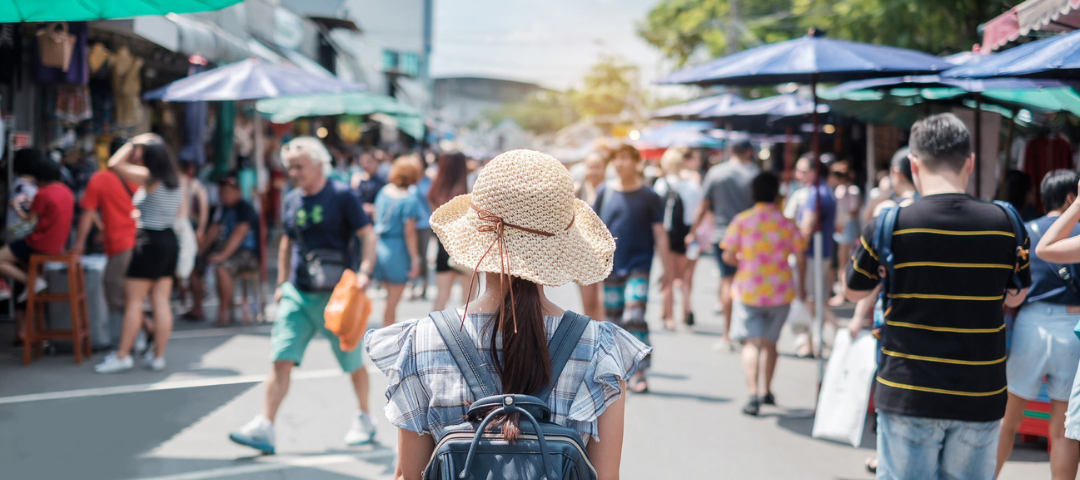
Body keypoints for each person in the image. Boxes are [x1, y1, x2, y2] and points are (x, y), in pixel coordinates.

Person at [364, 149, 649, 480]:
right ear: (560, 247)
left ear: (478, 238)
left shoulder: (423, 341)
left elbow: (408, 476)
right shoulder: (601, 349)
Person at [845, 113, 1030, 480]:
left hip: (908, 391)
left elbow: (853, 290)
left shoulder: (888, 224)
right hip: (980, 391)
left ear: (913, 164)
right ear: (971, 162)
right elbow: (1015, 297)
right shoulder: (1008, 223)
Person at [228, 137, 378, 454]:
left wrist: (365, 271)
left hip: (338, 296)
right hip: (298, 293)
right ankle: (265, 426)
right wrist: (282, 284)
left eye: (299, 166)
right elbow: (286, 242)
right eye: (290, 167)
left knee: (351, 362)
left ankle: (364, 416)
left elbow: (367, 236)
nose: (294, 172)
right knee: (280, 359)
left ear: (318, 164)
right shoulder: (292, 199)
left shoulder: (341, 195)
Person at [994, 169, 1080, 480]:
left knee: (1008, 419)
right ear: (1073, 198)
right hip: (1073, 328)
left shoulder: (1027, 231)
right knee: (1063, 429)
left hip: (1030, 325)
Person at [95, 135, 183, 373]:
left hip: (149, 241)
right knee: (161, 301)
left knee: (134, 302)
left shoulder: (149, 177)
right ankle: (159, 356)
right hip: (168, 240)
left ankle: (123, 355)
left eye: (142, 152)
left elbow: (113, 164)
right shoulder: (175, 179)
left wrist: (133, 142)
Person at [722, 172, 805, 416]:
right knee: (771, 344)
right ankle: (767, 389)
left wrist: (743, 261)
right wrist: (803, 288)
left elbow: (727, 254)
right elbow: (800, 255)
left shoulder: (743, 220)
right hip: (781, 290)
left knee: (751, 343)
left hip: (749, 290)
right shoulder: (786, 223)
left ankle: (753, 394)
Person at [595, 143, 671, 394]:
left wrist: (669, 270)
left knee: (634, 316)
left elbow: (660, 233)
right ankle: (615, 371)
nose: (620, 164)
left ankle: (640, 370)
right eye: (616, 159)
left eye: (625, 158)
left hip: (639, 265)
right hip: (611, 267)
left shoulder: (649, 196)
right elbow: (594, 229)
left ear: (637, 162)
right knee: (613, 321)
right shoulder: (604, 192)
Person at [687, 140, 757, 347]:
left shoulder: (716, 173)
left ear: (730, 150)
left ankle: (727, 334)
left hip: (722, 235)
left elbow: (703, 206)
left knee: (727, 281)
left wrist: (693, 231)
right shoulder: (753, 174)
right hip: (749, 237)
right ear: (749, 152)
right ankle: (745, 332)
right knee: (745, 282)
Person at [71, 138, 138, 346]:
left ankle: (141, 336)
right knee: (135, 296)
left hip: (121, 245)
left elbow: (88, 214)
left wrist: (79, 244)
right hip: (142, 244)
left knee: (118, 298)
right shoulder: (141, 177)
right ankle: (140, 338)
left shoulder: (100, 179)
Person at [0, 155, 74, 302]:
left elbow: (29, 219)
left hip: (38, 244)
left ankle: (32, 281)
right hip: (57, 245)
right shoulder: (66, 191)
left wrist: (15, 206)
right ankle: (32, 282)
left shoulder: (43, 193)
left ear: (40, 178)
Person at [654, 146, 703, 330]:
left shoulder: (660, 184)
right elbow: (693, 215)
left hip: (665, 235)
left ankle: (669, 318)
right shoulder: (691, 186)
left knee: (668, 276)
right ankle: (686, 309)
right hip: (684, 234)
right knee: (683, 277)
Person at [794, 154, 838, 358]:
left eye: (803, 171)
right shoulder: (821, 192)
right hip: (820, 253)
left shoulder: (816, 195)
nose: (798, 175)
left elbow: (806, 229)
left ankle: (834, 330)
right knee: (812, 299)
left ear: (814, 172)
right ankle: (812, 340)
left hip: (813, 255)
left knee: (810, 299)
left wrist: (797, 250)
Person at [204, 173, 261, 326]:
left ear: (238, 192)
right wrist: (201, 251)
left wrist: (222, 256)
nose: (224, 195)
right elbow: (213, 230)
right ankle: (200, 308)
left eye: (228, 192)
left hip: (247, 254)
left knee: (222, 268)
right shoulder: (221, 209)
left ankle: (224, 311)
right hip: (230, 252)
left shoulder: (245, 208)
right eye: (222, 192)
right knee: (204, 265)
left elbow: (239, 234)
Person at [373, 157, 423, 325]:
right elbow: (410, 232)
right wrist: (415, 258)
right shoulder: (409, 199)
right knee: (393, 301)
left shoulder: (384, 191)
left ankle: (383, 332)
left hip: (380, 245)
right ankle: (386, 338)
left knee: (388, 299)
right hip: (397, 248)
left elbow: (376, 215)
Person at [428, 151, 472, 311]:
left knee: (441, 297)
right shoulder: (468, 191)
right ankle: (466, 336)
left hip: (443, 247)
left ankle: (434, 332)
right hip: (465, 249)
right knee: (468, 302)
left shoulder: (435, 191)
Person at [576, 150, 608, 322]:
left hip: (607, 252)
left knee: (605, 302)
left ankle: (603, 338)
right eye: (591, 167)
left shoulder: (611, 190)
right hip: (584, 252)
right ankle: (592, 338)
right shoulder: (578, 190)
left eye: (598, 167)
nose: (594, 171)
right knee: (588, 304)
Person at [830, 160, 861, 307]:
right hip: (843, 227)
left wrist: (841, 223)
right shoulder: (843, 190)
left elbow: (853, 211)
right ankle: (844, 292)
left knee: (844, 261)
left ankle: (844, 293)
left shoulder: (850, 190)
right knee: (843, 260)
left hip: (847, 227)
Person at [351, 150, 386, 218]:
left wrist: (372, 208)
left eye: (369, 162)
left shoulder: (381, 182)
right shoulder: (357, 178)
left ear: (376, 162)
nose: (365, 165)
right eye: (363, 162)